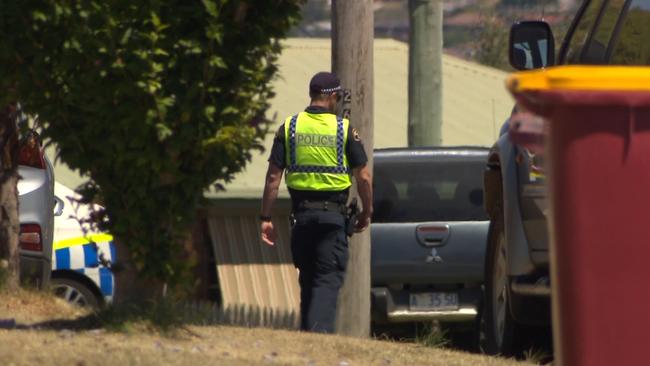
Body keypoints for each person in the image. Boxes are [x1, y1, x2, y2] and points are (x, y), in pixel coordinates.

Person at [259, 71, 373, 333]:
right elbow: (364, 178)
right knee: (326, 281)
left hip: (301, 219)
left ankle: (308, 340)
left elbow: (273, 179)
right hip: (332, 221)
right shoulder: (344, 129)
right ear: (332, 97)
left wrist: (265, 218)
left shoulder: (289, 128)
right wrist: (367, 211)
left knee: (309, 282)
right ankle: (317, 342)